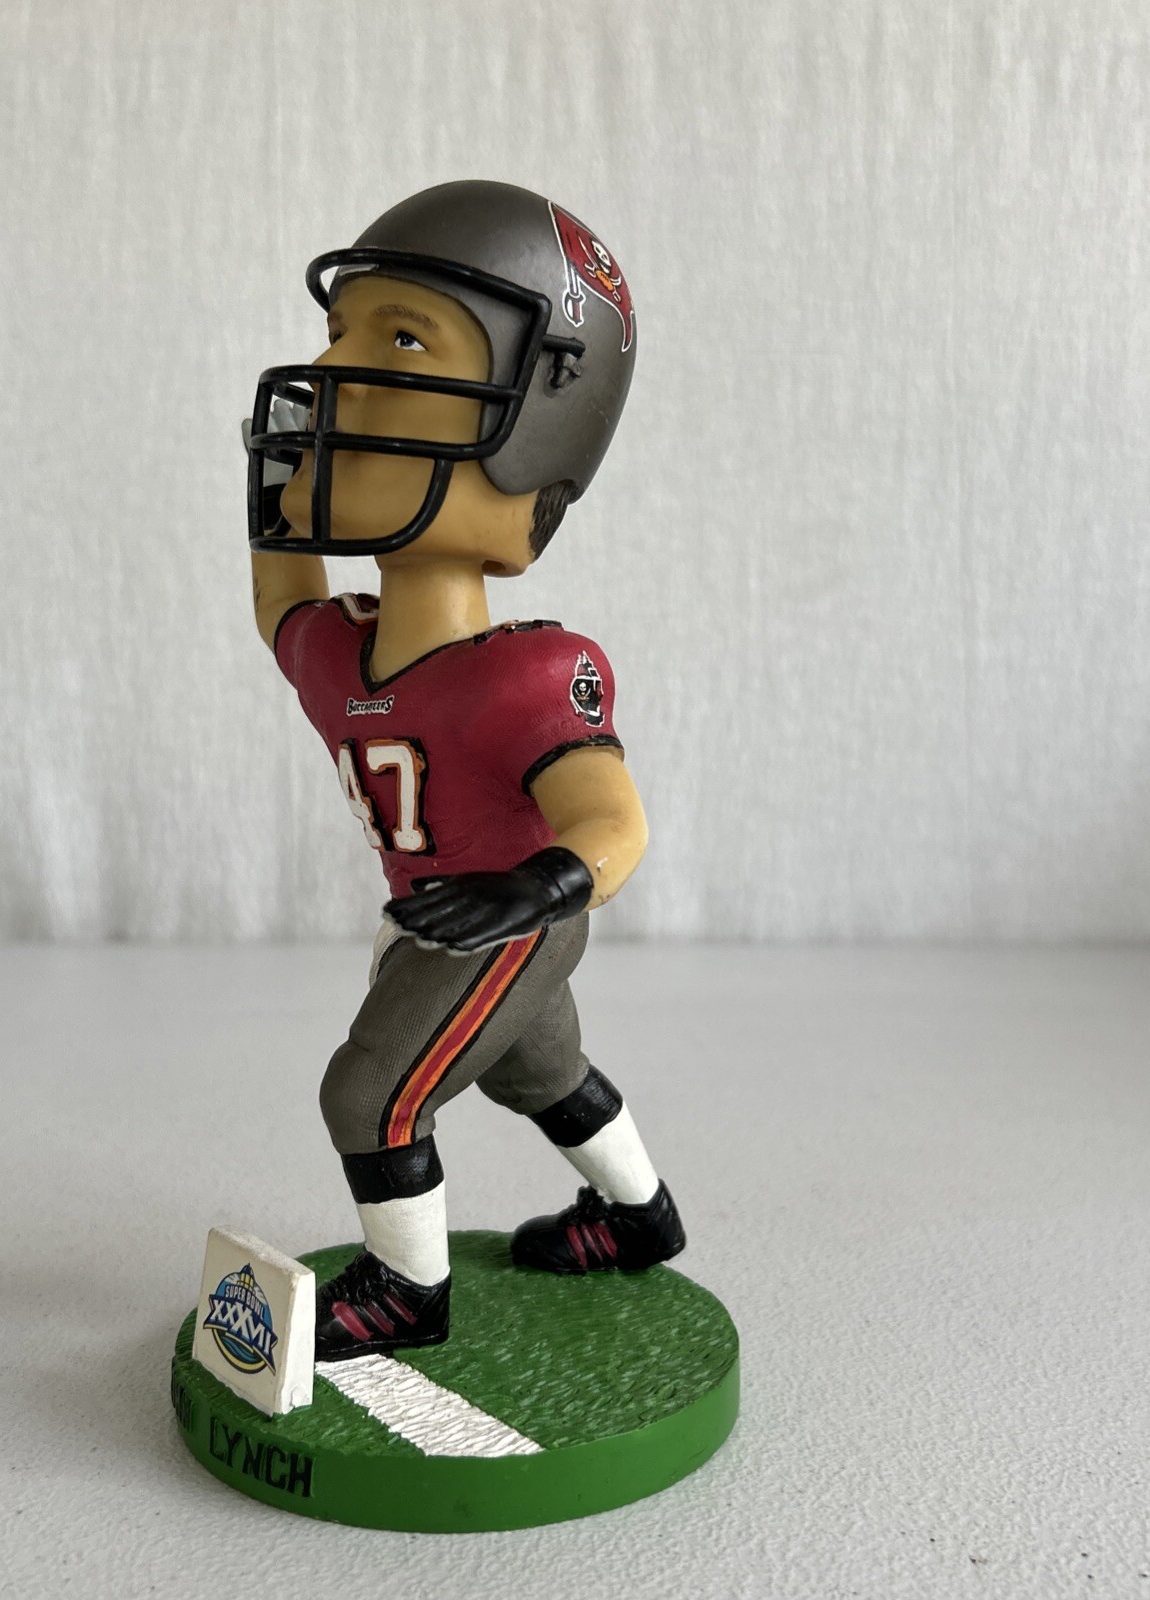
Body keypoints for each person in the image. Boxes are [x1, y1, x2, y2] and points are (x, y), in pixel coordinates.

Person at [245, 180, 684, 1362]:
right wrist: (272, 491)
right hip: (445, 914)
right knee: (540, 1071)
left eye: (398, 342)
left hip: (507, 915)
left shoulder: (529, 673)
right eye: (337, 336)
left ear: (533, 422)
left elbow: (613, 824)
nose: (331, 374)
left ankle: (408, 1293)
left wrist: (529, 894)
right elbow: (279, 599)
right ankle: (640, 1214)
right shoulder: (343, 654)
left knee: (370, 1093)